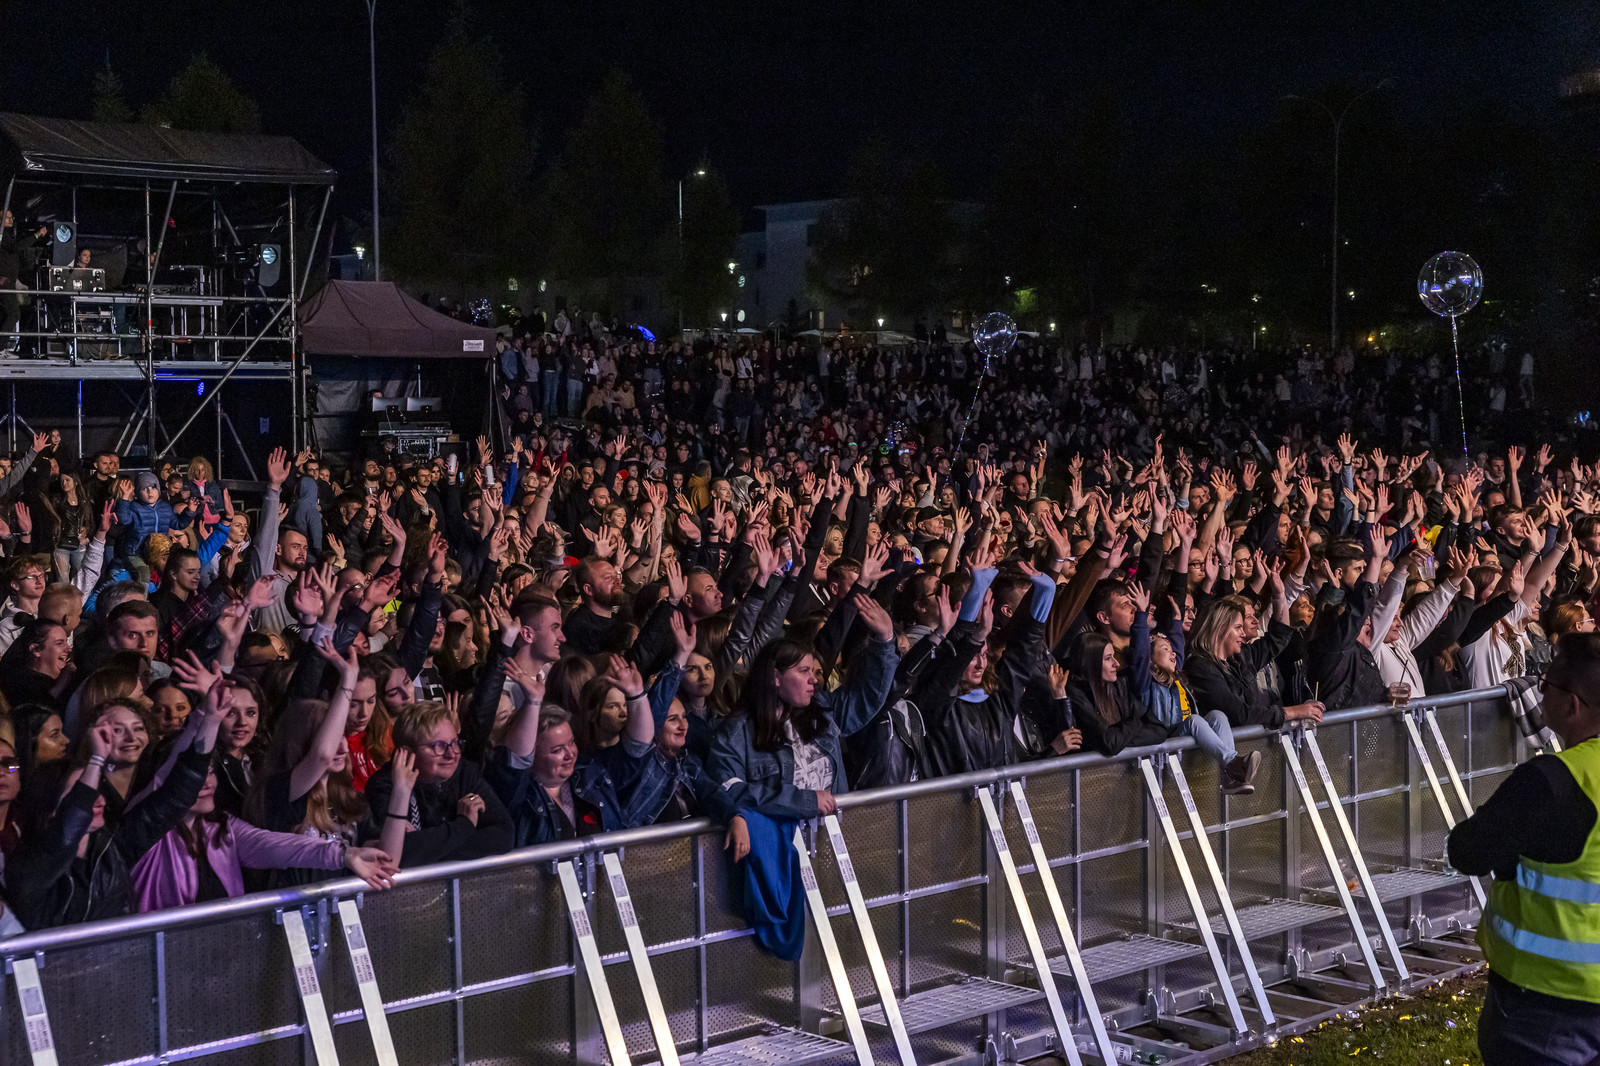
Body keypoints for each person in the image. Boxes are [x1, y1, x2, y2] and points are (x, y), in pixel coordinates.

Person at [1451, 633, 1600, 1064]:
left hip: (1545, 1003)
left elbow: (1467, 850)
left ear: (1572, 705)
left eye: (1546, 685)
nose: (1539, 693)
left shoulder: (1551, 780)